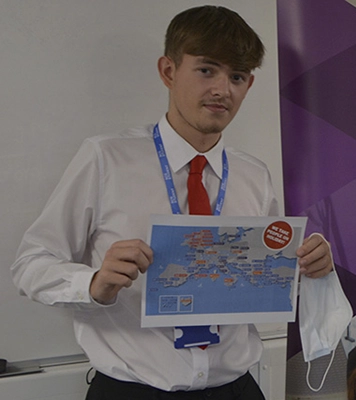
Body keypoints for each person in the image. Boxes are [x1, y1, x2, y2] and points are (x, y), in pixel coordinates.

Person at [10, 6, 335, 399]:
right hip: (133, 390)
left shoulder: (254, 175)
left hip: (235, 389)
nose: (222, 89)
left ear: (249, 85)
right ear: (168, 71)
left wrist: (307, 271)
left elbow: (263, 280)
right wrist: (92, 283)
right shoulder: (106, 158)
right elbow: (30, 264)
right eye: (206, 69)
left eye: (237, 76)